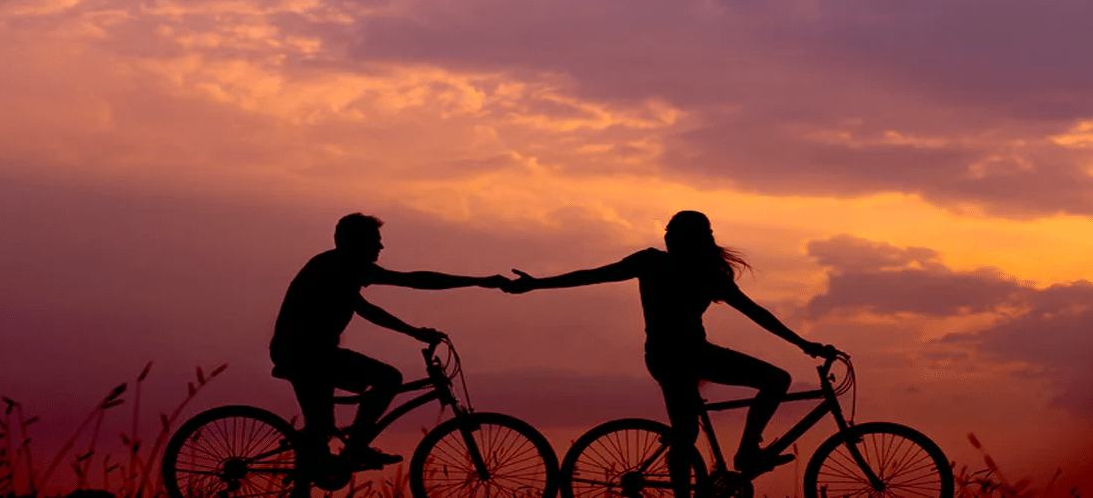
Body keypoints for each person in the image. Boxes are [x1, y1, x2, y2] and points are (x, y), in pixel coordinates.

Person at [502, 210, 838, 498]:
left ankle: (699, 483)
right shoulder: (691, 271)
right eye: (668, 234)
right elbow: (591, 277)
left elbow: (590, 277)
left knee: (686, 432)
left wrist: (536, 284)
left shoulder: (669, 266)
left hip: (666, 356)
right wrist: (804, 345)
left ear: (686, 238)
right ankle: (748, 450)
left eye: (673, 234)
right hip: (688, 355)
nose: (668, 239)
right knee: (776, 380)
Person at [271, 212, 504, 475]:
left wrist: (414, 331)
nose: (381, 247)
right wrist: (477, 281)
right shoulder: (338, 266)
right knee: (388, 378)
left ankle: (324, 459)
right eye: (375, 241)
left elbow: (367, 307)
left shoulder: (338, 268)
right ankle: (355, 448)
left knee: (321, 432)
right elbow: (411, 281)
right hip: (305, 355)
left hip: (310, 355)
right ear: (356, 243)